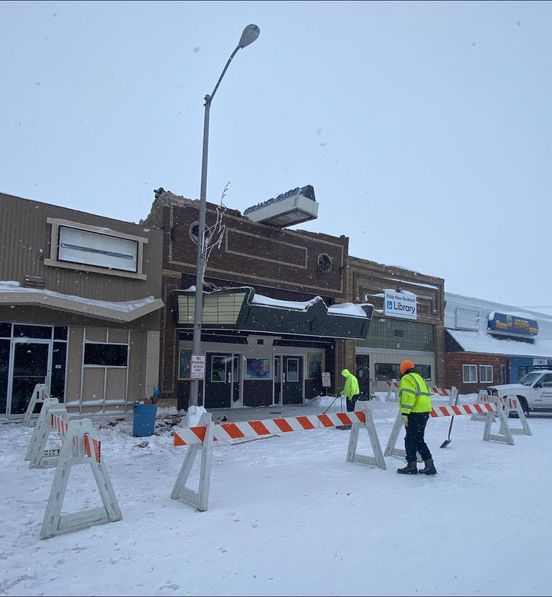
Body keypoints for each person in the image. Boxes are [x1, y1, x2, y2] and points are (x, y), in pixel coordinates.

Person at [396, 360, 437, 475]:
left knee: (410, 439)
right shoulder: (419, 378)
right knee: (419, 439)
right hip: (424, 412)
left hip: (414, 412)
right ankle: (429, 465)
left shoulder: (406, 379)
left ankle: (411, 466)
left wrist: (405, 413)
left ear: (403, 370)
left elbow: (408, 396)